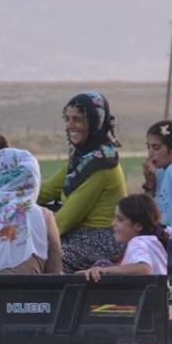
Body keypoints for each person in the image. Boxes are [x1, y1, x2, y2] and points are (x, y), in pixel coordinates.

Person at [38, 91, 127, 272]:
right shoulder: (80, 157)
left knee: (47, 263)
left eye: (77, 119)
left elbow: (66, 219)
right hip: (77, 233)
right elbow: (46, 190)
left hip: (100, 237)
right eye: (67, 119)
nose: (71, 125)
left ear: (95, 122)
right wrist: (10, 201)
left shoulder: (101, 163)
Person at [77, 194, 168, 282]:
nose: (113, 223)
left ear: (138, 226)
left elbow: (144, 269)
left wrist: (104, 271)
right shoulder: (152, 242)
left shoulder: (138, 242)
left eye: (120, 219)